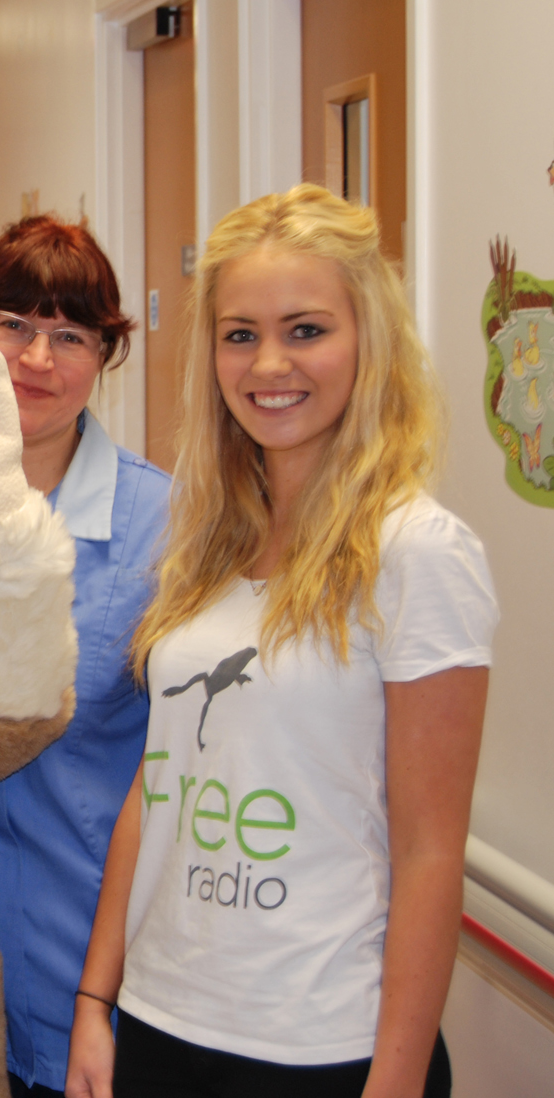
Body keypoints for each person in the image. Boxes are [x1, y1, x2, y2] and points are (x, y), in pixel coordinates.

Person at [66, 185, 495, 1098]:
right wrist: (97, 1000)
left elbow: (429, 855)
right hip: (161, 1019)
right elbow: (158, 785)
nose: (269, 364)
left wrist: (394, 1084)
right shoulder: (207, 546)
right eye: (240, 334)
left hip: (319, 1045)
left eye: (306, 330)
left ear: (368, 339)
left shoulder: (417, 553)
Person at [0, 216, 171, 1098]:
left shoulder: (165, 529)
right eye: (12, 324)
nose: (36, 358)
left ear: (106, 355)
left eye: (70, 335)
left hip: (91, 979)